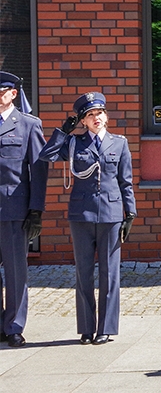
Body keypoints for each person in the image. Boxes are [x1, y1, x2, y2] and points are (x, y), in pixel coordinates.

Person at [38, 92, 137, 345]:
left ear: (107, 116)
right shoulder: (73, 143)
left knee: (109, 274)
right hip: (81, 215)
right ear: (82, 121)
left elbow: (125, 182)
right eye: (90, 115)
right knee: (83, 273)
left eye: (100, 113)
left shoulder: (119, 143)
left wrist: (130, 213)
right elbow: (45, 155)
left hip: (111, 215)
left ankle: (105, 328)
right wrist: (62, 131)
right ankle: (86, 328)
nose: (96, 118)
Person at [0, 72, 48, 348]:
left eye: (2, 92)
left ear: (13, 94)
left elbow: (38, 170)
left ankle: (14, 326)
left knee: (17, 272)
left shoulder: (28, 125)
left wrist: (36, 210)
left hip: (14, 210)